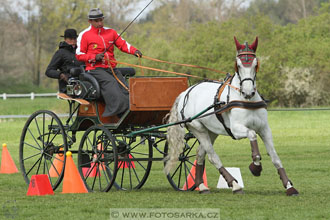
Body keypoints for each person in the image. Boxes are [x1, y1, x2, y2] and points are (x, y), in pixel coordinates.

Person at [76, 8, 142, 117]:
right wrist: (94, 57)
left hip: (111, 68)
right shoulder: (84, 35)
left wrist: (134, 51)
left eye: (101, 20)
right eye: (97, 21)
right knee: (111, 83)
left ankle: (129, 115)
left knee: (126, 88)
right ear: (90, 21)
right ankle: (115, 113)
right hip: (94, 70)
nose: (100, 23)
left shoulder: (111, 32)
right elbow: (79, 55)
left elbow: (123, 44)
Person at [45, 29, 84, 93]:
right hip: (68, 86)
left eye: (75, 39)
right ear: (65, 39)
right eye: (71, 39)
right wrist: (61, 75)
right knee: (79, 93)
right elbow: (48, 71)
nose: (73, 41)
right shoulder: (60, 53)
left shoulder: (80, 51)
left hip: (83, 82)